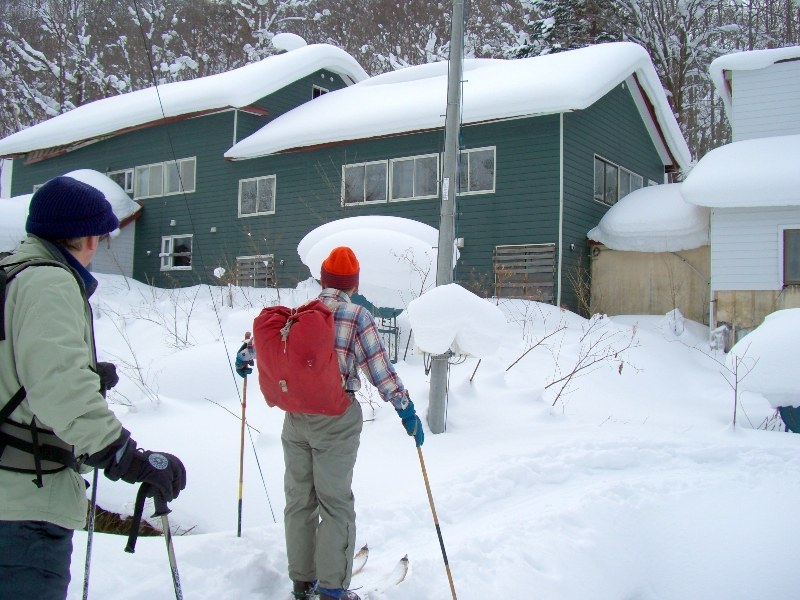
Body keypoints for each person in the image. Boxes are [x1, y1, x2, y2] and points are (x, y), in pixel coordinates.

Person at [0, 177, 186, 600]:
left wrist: (82, 372)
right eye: (101, 238)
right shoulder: (49, 282)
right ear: (86, 237)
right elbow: (60, 391)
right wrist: (126, 457)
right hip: (24, 506)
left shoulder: (11, 271)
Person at [243, 246, 424, 600]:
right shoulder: (357, 316)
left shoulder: (302, 312)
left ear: (323, 279)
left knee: (299, 500)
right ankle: (332, 590)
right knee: (335, 502)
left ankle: (302, 582)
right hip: (336, 420)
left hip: (296, 419)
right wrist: (405, 409)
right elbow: (379, 370)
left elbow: (267, 347)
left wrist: (245, 356)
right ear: (354, 284)